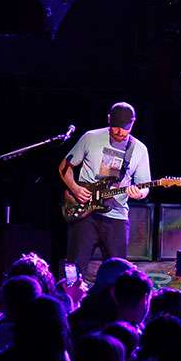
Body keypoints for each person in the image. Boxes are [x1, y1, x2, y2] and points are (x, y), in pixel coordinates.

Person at [59, 102, 152, 274]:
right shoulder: (90, 138)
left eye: (125, 129)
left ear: (133, 123)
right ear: (109, 119)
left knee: (119, 274)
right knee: (74, 268)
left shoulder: (139, 149)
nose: (120, 133)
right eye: (116, 127)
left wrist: (139, 193)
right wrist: (75, 188)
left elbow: (144, 185)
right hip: (85, 213)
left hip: (116, 216)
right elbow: (65, 166)